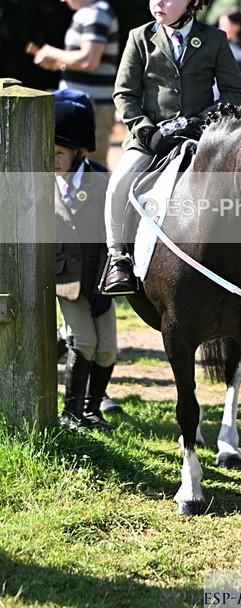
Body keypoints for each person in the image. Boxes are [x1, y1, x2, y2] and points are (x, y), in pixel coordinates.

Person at [100, 0, 241, 295]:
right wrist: (146, 131)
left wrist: (203, 122)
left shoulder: (214, 40)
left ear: (194, 1)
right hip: (150, 138)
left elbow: (234, 93)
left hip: (201, 137)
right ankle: (118, 258)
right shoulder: (140, 38)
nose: (158, 4)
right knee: (118, 183)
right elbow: (124, 94)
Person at [54, 90, 119, 431]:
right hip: (64, 281)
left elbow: (113, 237)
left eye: (60, 153)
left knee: (108, 349)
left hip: (98, 278)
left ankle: (93, 409)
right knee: (85, 342)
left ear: (80, 152)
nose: (53, 160)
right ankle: (71, 413)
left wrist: (105, 287)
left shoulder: (102, 181)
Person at [32, 0, 120, 167]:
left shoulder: (98, 12)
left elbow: (89, 60)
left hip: (93, 106)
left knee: (90, 169)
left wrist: (51, 52)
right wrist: (59, 66)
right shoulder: (87, 13)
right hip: (84, 103)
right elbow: (82, 63)